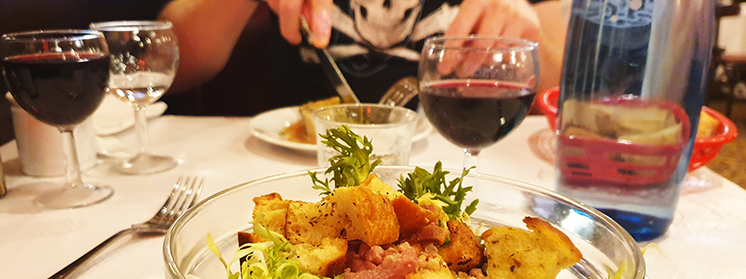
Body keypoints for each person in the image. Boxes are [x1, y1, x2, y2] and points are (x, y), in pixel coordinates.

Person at [159, 0, 567, 108]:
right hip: (300, 164)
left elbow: (559, 92)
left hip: (456, 160)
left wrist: (521, 27)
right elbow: (169, 67)